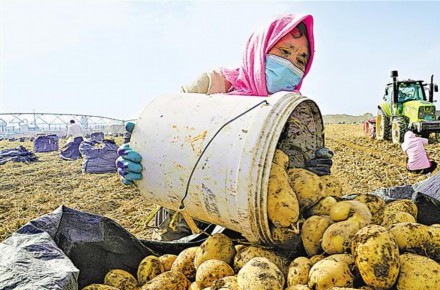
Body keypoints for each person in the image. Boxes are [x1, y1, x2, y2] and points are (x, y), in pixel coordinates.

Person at [116, 13, 333, 239]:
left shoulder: (294, 115)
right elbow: (165, 124)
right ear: (260, 49)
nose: (290, 66)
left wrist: (311, 174)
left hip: (255, 227)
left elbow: (281, 185)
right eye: (284, 52)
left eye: (300, 60)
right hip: (189, 214)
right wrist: (141, 150)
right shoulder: (212, 85)